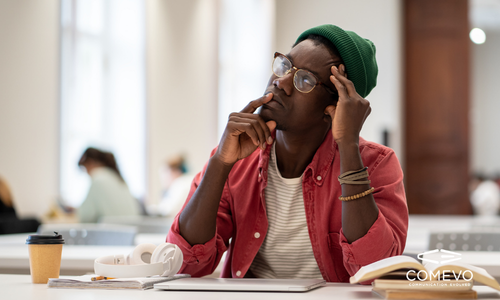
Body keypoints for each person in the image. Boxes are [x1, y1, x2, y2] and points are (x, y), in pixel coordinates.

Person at [167, 24, 408, 282]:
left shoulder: (376, 163)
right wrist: (220, 163)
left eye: (304, 80)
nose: (280, 83)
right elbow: (184, 263)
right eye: (284, 66)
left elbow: (375, 270)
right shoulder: (238, 157)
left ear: (336, 106)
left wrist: (348, 146)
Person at [77, 147, 141, 222]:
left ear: (90, 163)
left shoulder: (98, 178)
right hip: (128, 231)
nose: (87, 173)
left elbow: (85, 217)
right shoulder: (117, 177)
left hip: (111, 231)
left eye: (85, 168)